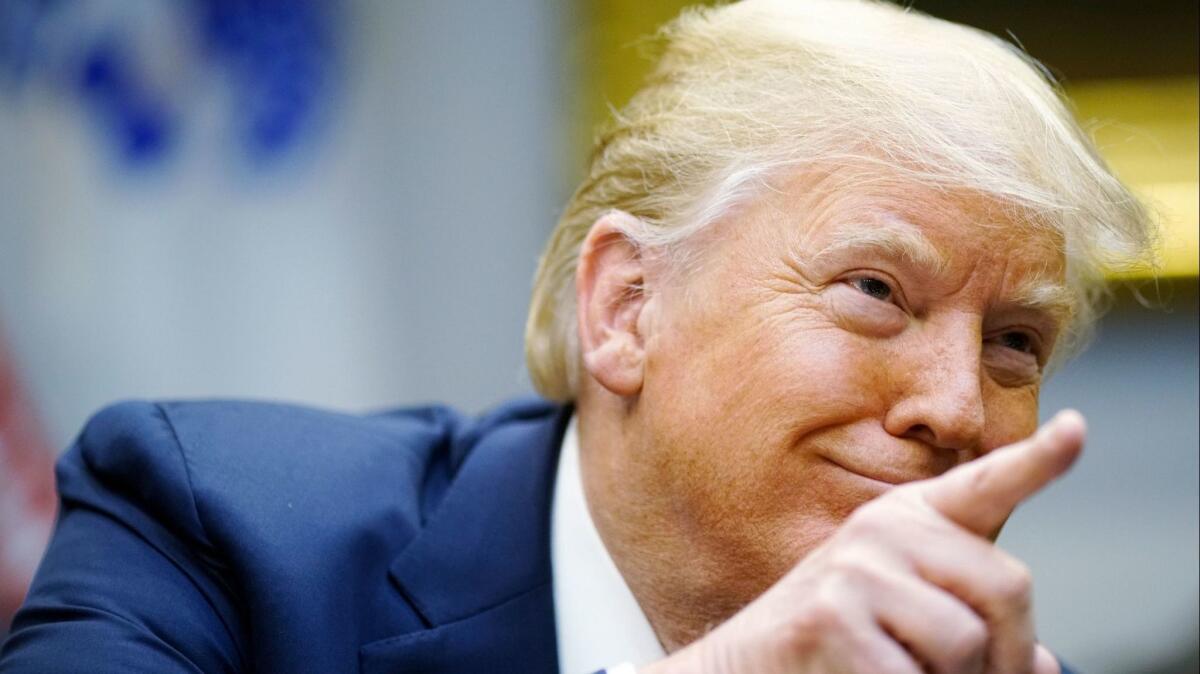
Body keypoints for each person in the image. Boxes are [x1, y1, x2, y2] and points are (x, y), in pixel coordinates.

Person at [0, 0, 1154, 672]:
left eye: (1015, 341)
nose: (957, 406)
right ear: (624, 306)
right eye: (874, 289)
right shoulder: (212, 526)